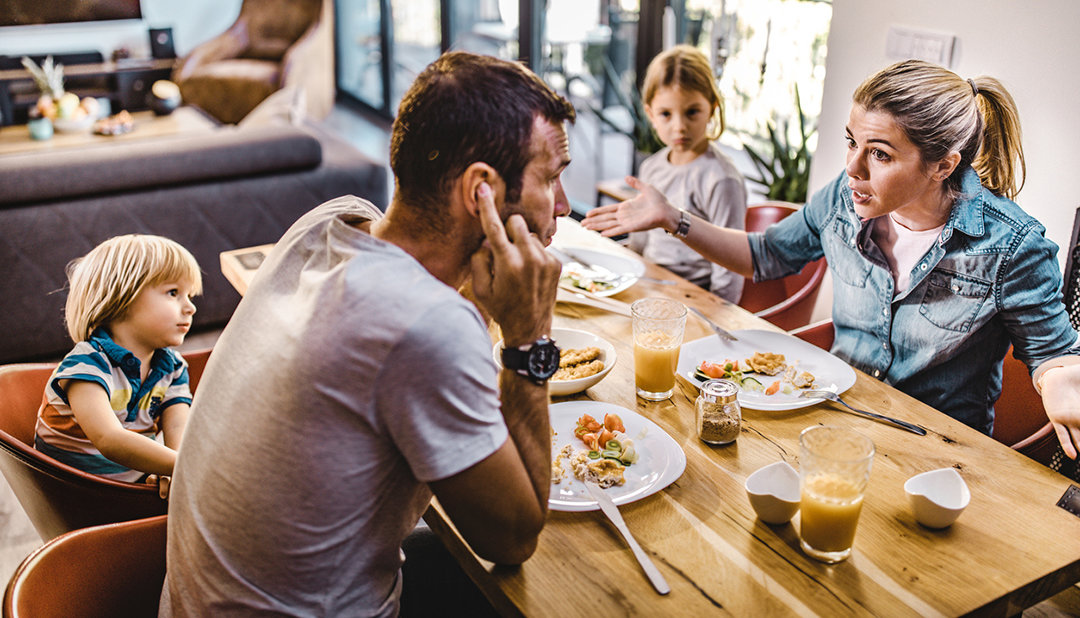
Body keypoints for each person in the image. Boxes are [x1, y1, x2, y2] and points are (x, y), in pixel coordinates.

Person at [160, 51, 575, 616]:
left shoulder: (329, 224)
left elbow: (408, 343)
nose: (566, 206)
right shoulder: (424, 325)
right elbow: (512, 540)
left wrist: (480, 306)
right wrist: (529, 340)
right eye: (552, 179)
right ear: (481, 190)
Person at [584, 59, 1079, 435]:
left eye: (879, 154)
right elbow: (765, 255)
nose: (853, 169)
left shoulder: (1012, 244)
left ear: (944, 166)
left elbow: (1054, 355)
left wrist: (1060, 384)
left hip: (937, 452)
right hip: (836, 418)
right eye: (851, 143)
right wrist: (673, 218)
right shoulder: (845, 200)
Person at [34, 234, 200, 496]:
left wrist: (175, 468)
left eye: (189, 295)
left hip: (132, 483)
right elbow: (109, 439)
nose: (190, 307)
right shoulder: (87, 365)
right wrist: (188, 468)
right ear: (122, 296)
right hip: (80, 494)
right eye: (173, 293)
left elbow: (178, 428)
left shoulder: (173, 367)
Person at [627, 44, 746, 302]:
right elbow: (640, 240)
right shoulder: (651, 167)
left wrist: (721, 315)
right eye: (666, 114)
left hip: (696, 296)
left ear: (712, 108)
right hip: (649, 284)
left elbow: (730, 263)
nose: (679, 127)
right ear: (650, 114)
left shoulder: (721, 179)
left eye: (692, 112)